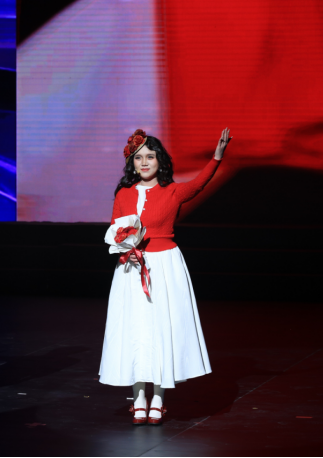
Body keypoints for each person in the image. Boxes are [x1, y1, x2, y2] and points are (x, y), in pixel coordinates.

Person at [99, 128, 232, 426]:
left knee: (162, 329)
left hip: (165, 265)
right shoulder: (123, 193)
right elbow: (115, 230)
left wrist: (217, 157)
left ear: (160, 160)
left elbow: (199, 183)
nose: (144, 162)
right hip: (131, 268)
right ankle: (138, 399)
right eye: (138, 158)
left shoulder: (173, 191)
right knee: (134, 329)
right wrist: (126, 250)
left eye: (150, 156)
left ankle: (158, 398)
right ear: (132, 163)